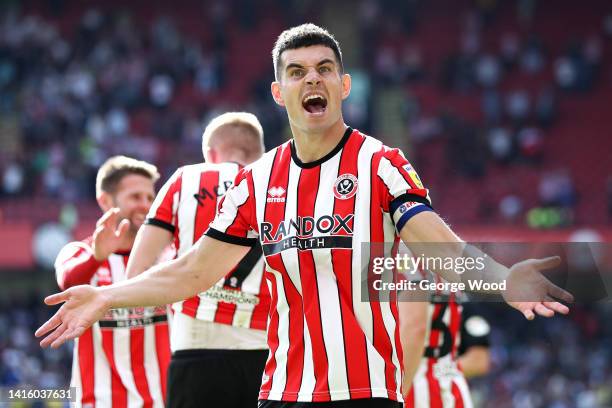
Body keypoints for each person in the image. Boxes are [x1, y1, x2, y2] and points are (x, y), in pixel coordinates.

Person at [37, 24, 572, 408]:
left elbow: (439, 248)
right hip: (282, 390)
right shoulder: (255, 182)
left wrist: (504, 281)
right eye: (296, 72)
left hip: (363, 391)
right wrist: (107, 294)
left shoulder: (380, 165)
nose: (310, 80)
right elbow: (194, 271)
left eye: (323, 70)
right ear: (279, 91)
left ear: (343, 85)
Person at [125, 112, 268, 408]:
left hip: (196, 342)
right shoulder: (281, 181)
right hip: (268, 350)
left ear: (210, 154)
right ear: (259, 153)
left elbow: (137, 270)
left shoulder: (186, 179)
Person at [53, 155, 170, 407]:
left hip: (163, 399)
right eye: (135, 197)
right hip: (99, 400)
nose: (146, 205)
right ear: (105, 201)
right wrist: (97, 257)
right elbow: (68, 281)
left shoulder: (170, 255)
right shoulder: (79, 252)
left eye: (150, 198)